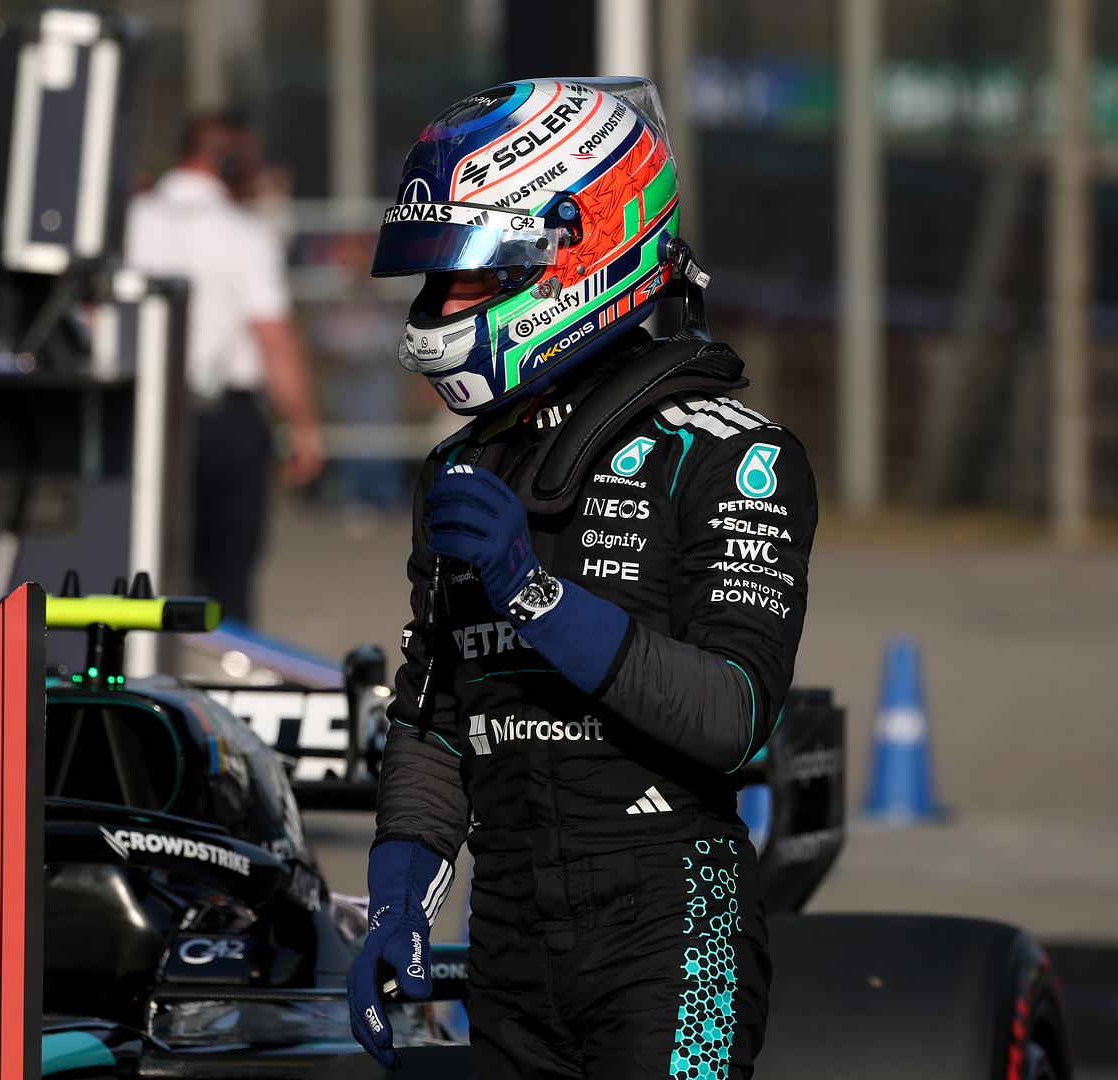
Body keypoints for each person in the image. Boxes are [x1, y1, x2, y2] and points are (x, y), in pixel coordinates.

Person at [346, 79, 817, 1080]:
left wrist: (533, 592)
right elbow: (433, 716)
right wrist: (395, 903)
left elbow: (736, 716)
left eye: (470, 280)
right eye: (437, 283)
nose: (441, 309)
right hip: (510, 939)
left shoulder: (734, 456)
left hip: (670, 923)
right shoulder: (462, 470)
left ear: (580, 250)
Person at [125, 114, 324, 624]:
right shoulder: (241, 234)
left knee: (145, 573)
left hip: (138, 414)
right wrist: (303, 426)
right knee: (227, 583)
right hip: (223, 422)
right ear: (231, 160)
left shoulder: (128, 220)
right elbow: (273, 337)